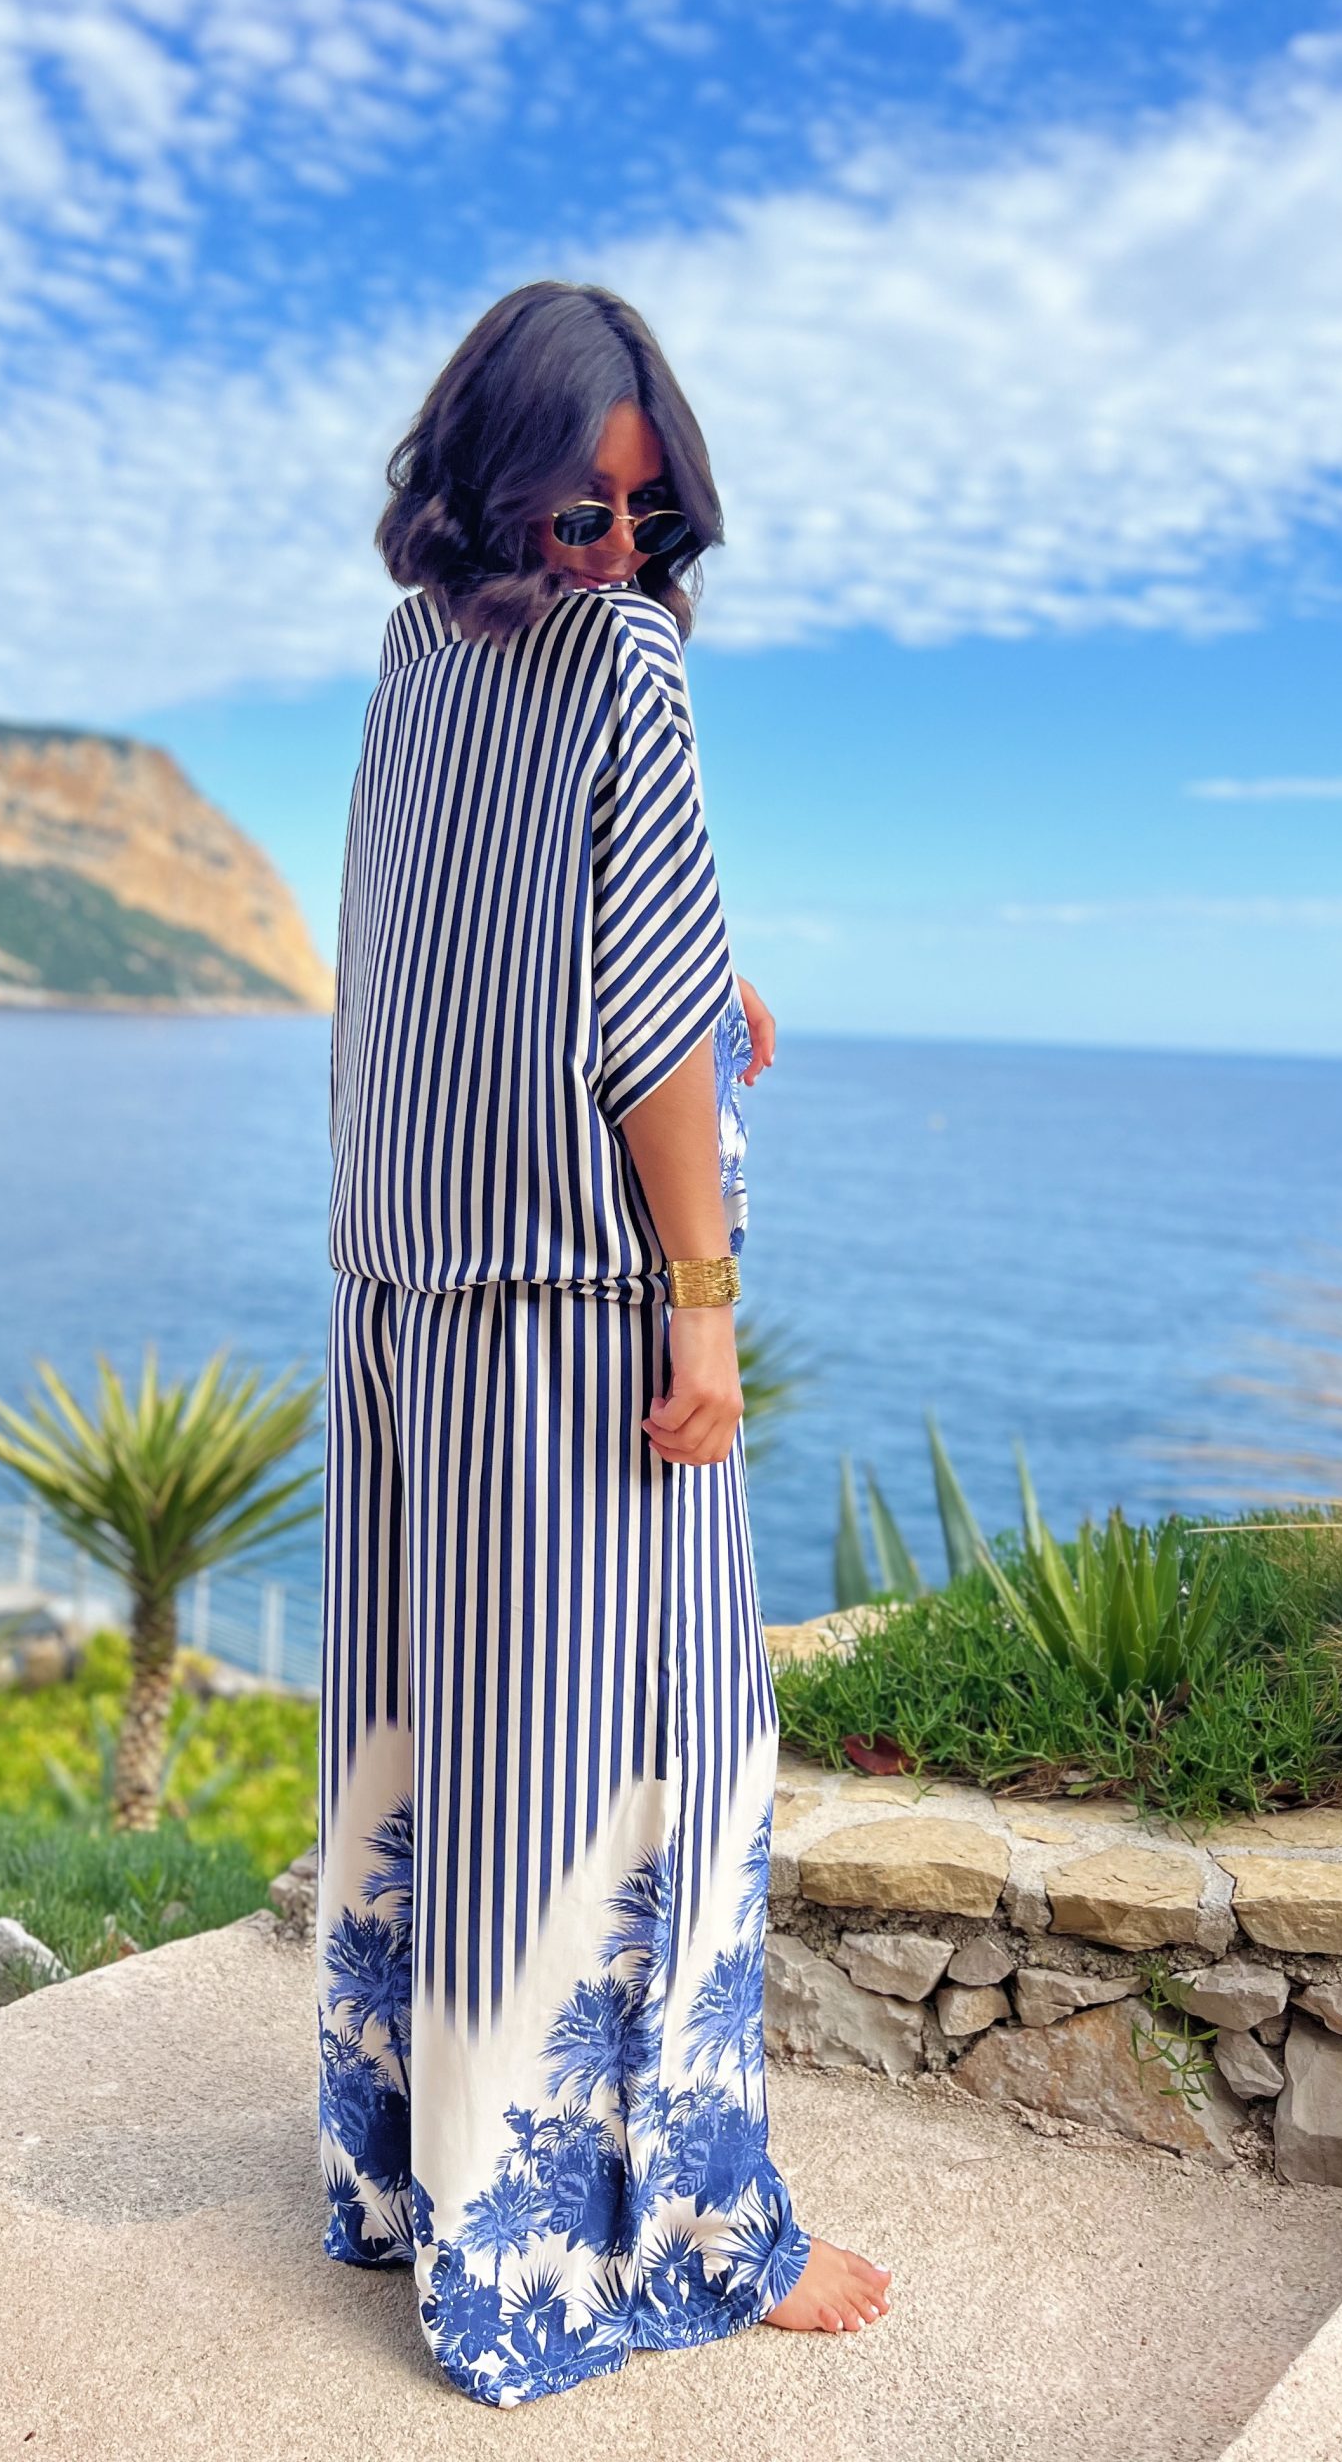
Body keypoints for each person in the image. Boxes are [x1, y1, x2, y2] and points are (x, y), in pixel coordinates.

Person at [313, 280, 893, 2407]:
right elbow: (636, 1035)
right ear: (492, 494)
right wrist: (705, 1317)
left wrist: (700, 967)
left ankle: (416, 2187)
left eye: (651, 524)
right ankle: (658, 2241)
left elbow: (441, 941)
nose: (623, 560)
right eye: (581, 516)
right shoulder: (627, 667)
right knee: (662, 1768)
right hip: (573, 1327)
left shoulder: (418, 656)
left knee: (443, 1759)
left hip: (405, 1304)